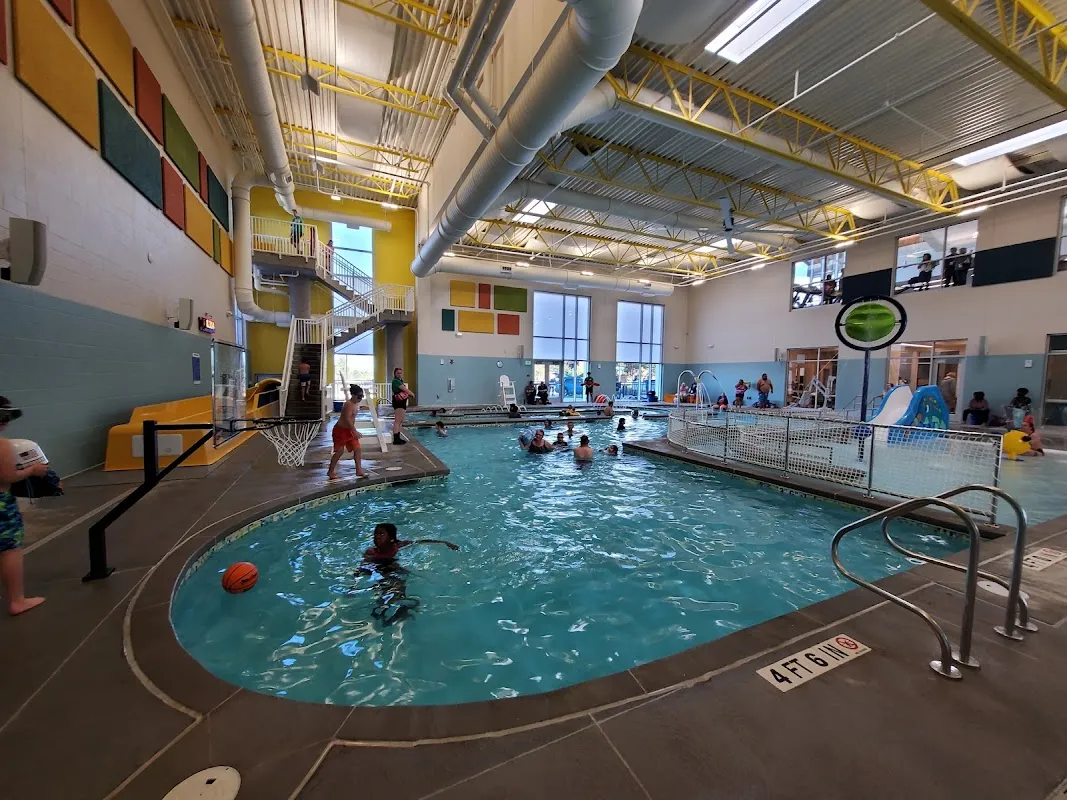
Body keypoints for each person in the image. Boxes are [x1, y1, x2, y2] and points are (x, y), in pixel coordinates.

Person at [357, 523, 458, 626]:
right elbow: (364, 567)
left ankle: (398, 611)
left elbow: (420, 541)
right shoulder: (371, 552)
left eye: (381, 534)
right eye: (375, 534)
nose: (377, 536)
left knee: (398, 586)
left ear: (391, 537)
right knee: (389, 592)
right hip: (381, 573)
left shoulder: (398, 546)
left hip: (395, 571)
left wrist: (444, 542)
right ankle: (393, 611)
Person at [0, 398, 46, 615]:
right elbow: (7, 476)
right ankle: (17, 600)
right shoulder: (2, 445)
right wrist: (31, 471)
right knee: (9, 549)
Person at [327, 385, 367, 481]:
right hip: (340, 431)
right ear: (352, 395)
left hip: (349, 431)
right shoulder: (348, 404)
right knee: (339, 451)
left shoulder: (355, 404)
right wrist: (355, 431)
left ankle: (359, 470)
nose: (360, 398)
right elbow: (347, 419)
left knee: (357, 449)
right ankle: (330, 471)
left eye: (362, 396)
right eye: (358, 396)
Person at [391, 366, 412, 445]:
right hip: (398, 402)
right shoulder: (396, 381)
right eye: (398, 373)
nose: (399, 374)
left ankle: (398, 437)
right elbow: (405, 390)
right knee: (397, 421)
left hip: (402, 402)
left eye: (400, 373)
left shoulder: (400, 381)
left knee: (400, 421)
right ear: (395, 374)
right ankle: (396, 439)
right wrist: (412, 394)